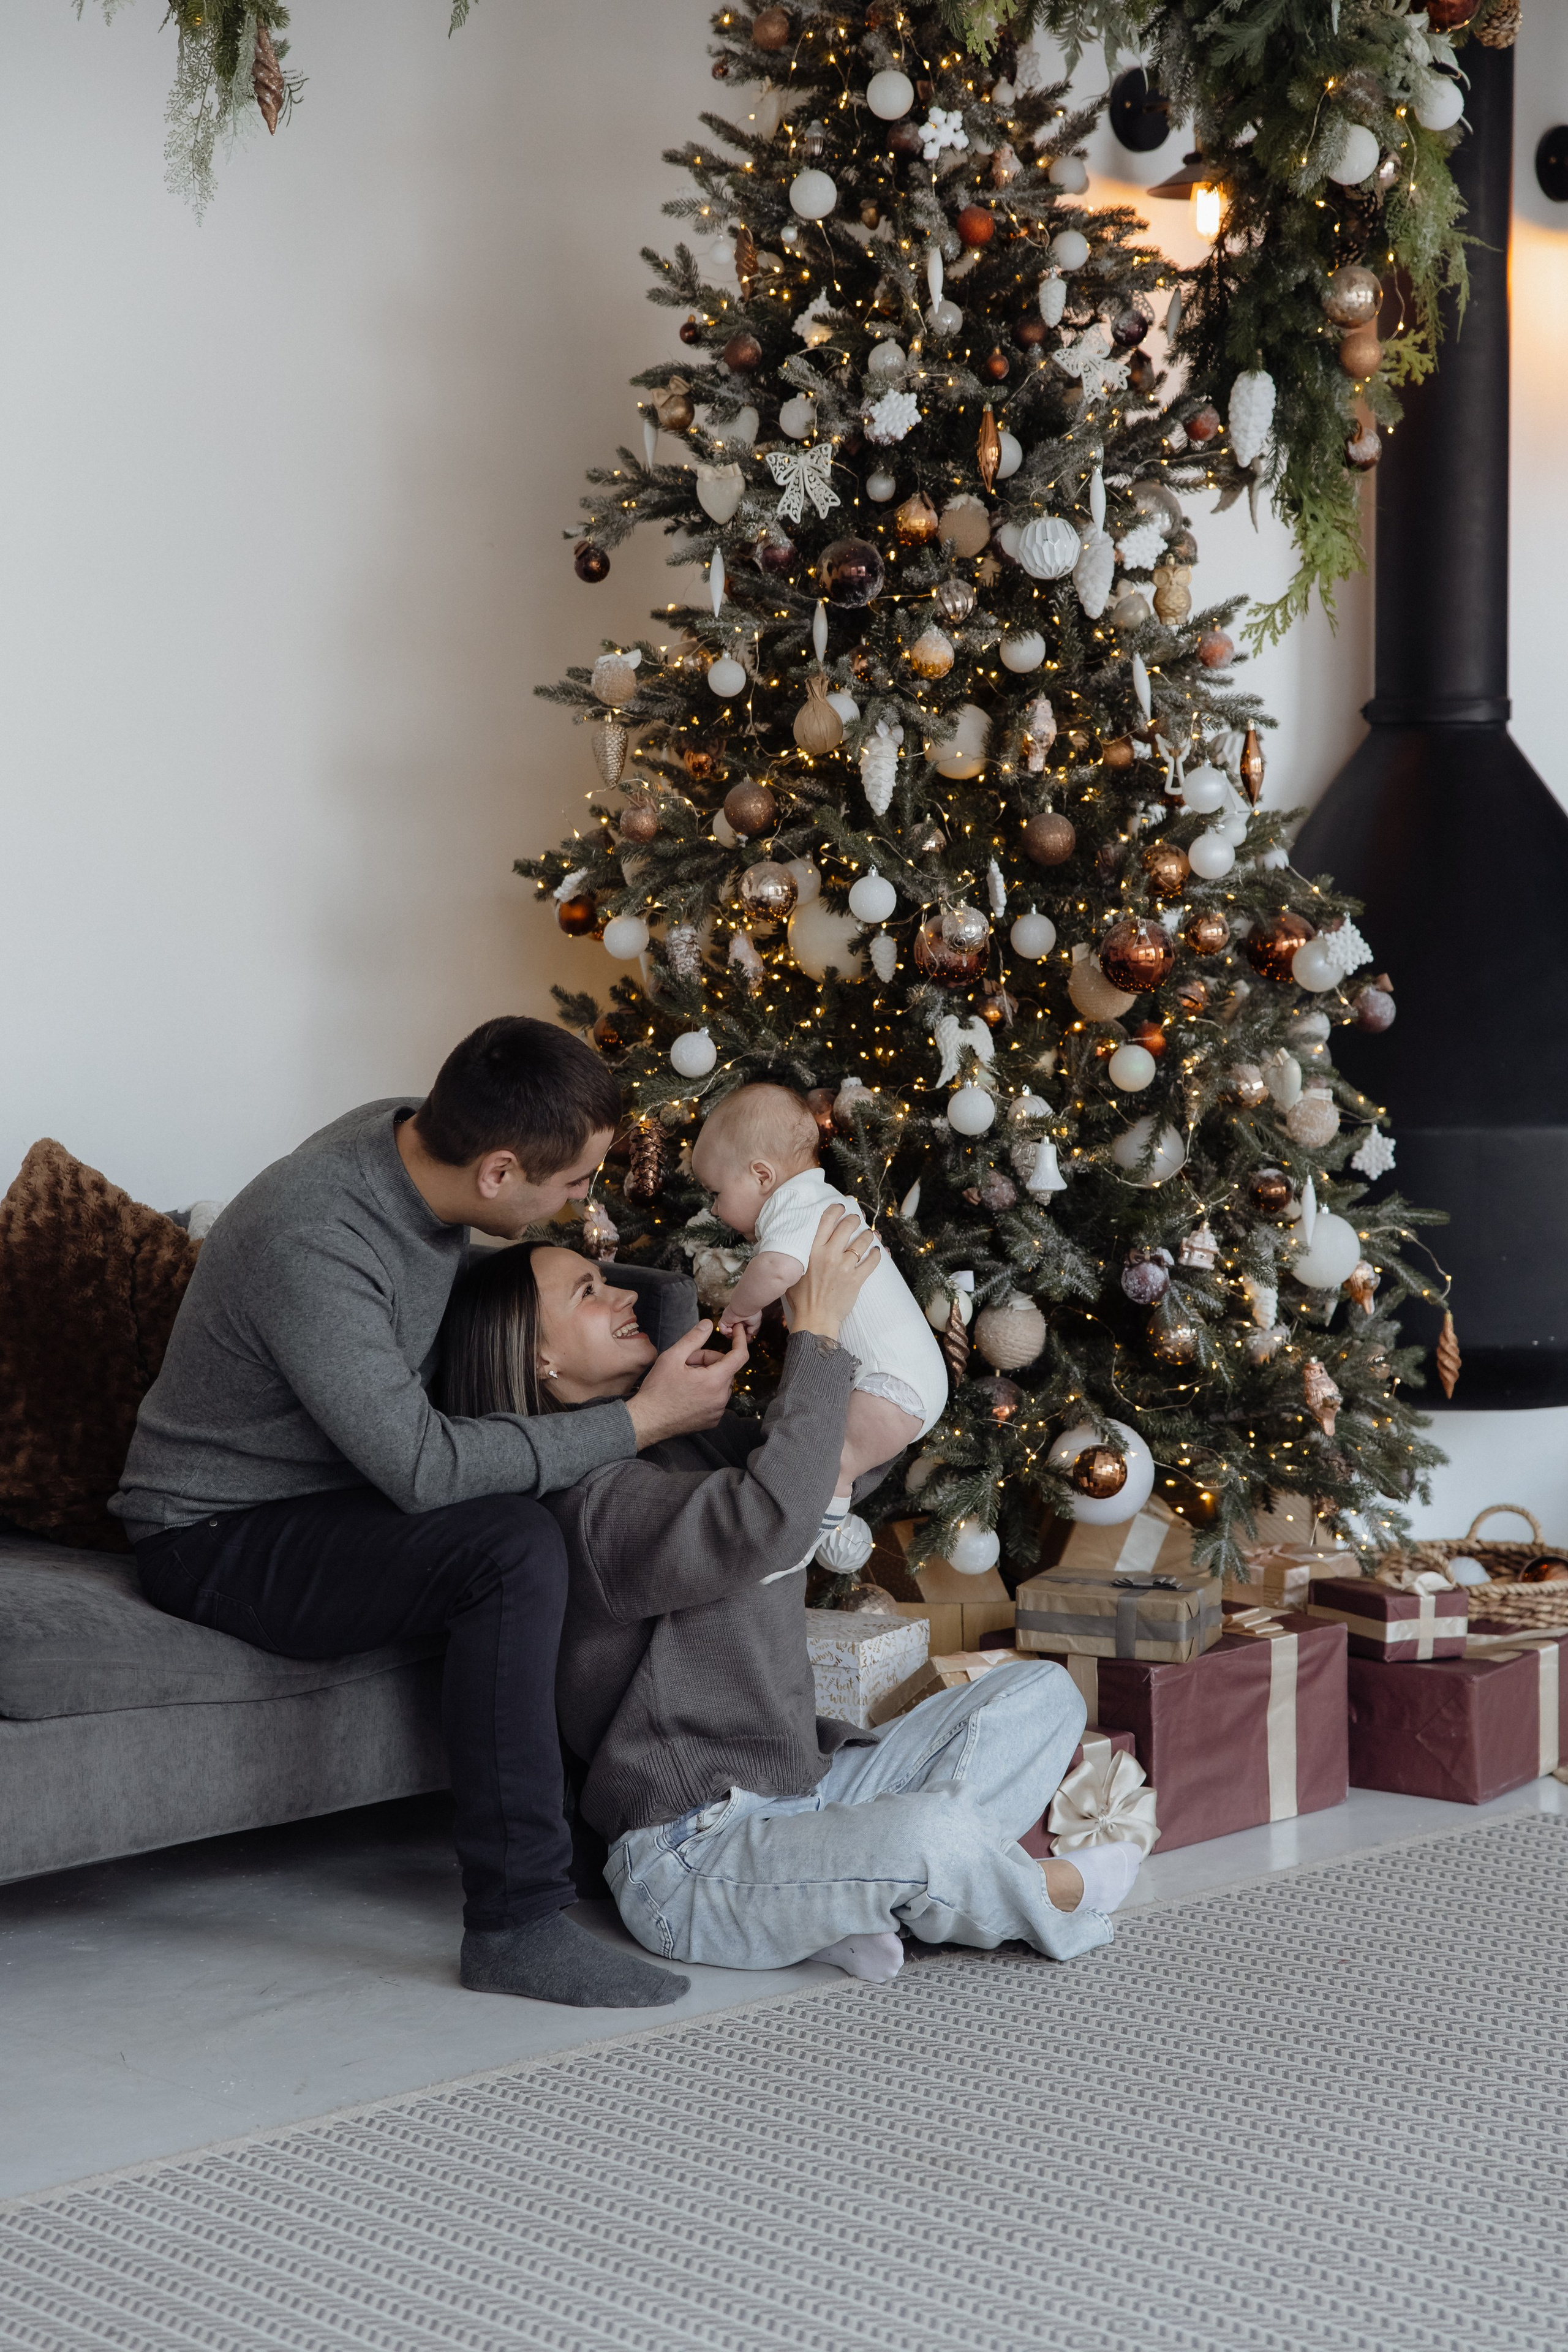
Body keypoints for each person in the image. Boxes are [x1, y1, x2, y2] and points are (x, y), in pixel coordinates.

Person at [113, 1016, 747, 2010]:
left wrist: (667, 1346)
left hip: (337, 1494)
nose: (585, 1206)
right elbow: (420, 1467)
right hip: (219, 1532)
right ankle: (516, 1924)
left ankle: (613, 1828)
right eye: (576, 1183)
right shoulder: (315, 1233)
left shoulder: (412, 1141)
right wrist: (637, 1418)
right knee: (506, 1546)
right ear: (498, 1175)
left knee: (564, 1495)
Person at [440, 1214, 1140, 1989]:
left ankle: (845, 1903)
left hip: (804, 1791)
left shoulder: (687, 1446)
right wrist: (818, 1333)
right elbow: (772, 1518)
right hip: (692, 1858)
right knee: (931, 1834)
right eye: (587, 1293)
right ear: (539, 1358)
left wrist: (837, 1315)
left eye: (604, 1280)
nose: (617, 1296)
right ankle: (1033, 1894)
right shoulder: (589, 1507)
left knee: (1040, 1693)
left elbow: (842, 1468)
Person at [690, 1084, 948, 1576]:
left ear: (761, 1175)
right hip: (910, 1381)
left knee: (832, 1464)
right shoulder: (824, 1201)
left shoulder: (793, 1203)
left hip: (889, 1385)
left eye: (717, 1193)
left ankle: (795, 1548)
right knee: (830, 1460)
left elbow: (776, 1272)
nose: (717, 1210)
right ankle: (801, 1540)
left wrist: (738, 1309)